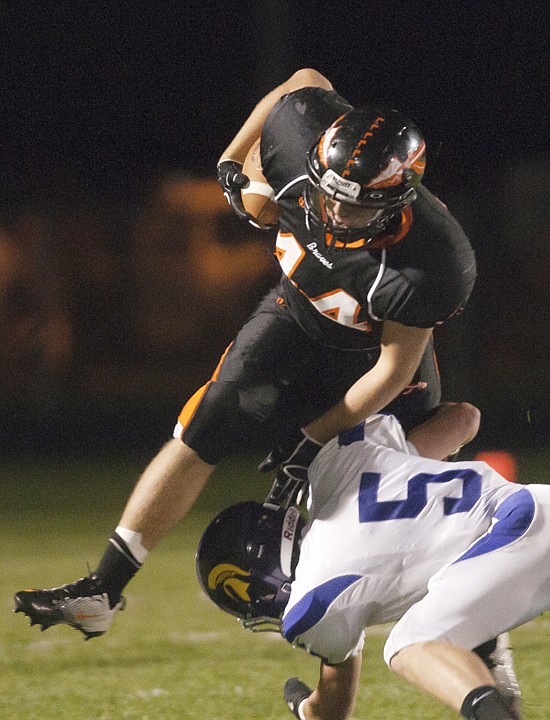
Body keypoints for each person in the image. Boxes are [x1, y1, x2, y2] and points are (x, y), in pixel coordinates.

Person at [14, 68, 476, 639]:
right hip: (293, 315)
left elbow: (391, 368)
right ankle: (103, 589)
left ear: (396, 201)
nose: (333, 214)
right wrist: (233, 161)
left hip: (368, 353)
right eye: (327, 196)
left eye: (355, 210)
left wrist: (315, 437)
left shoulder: (432, 259)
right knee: (203, 423)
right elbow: (304, 81)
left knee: (412, 466)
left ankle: (469, 622)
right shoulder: (301, 144)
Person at [195, 402, 546, 720]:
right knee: (444, 607)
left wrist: (304, 706)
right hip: (533, 505)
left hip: (517, 537)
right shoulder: (337, 465)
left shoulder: (312, 600)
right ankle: (486, 662)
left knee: (411, 643)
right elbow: (464, 418)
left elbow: (333, 707)